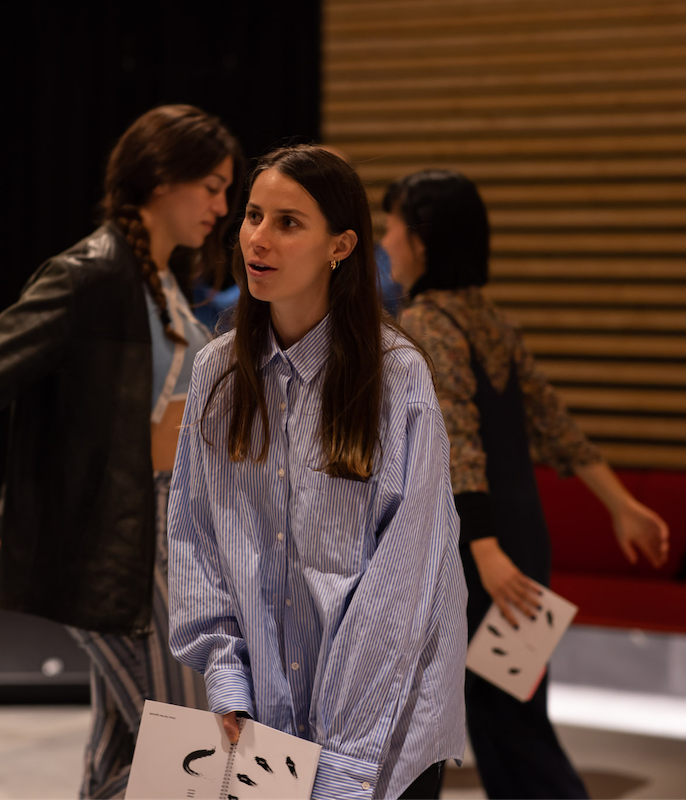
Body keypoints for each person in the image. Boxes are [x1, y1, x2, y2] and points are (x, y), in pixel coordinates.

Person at [166, 145, 468, 800]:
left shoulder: (396, 377)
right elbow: (196, 542)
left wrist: (341, 766)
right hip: (259, 723)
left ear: (342, 245)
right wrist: (228, 686)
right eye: (252, 215)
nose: (258, 239)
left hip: (379, 732)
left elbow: (402, 592)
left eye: (288, 222)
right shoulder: (219, 371)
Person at [381, 169, 670, 800]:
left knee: (500, 722)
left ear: (423, 240)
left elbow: (460, 447)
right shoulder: (493, 322)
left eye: (392, 226)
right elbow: (557, 426)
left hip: (482, 556)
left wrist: (484, 554)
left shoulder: (429, 323)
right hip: (523, 545)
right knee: (509, 714)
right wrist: (622, 506)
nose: (386, 241)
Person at [0, 104, 244, 800]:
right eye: (214, 186)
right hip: (126, 544)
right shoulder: (92, 273)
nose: (222, 207)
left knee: (129, 749)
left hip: (166, 533)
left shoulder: (155, 279)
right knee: (192, 744)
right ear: (164, 177)